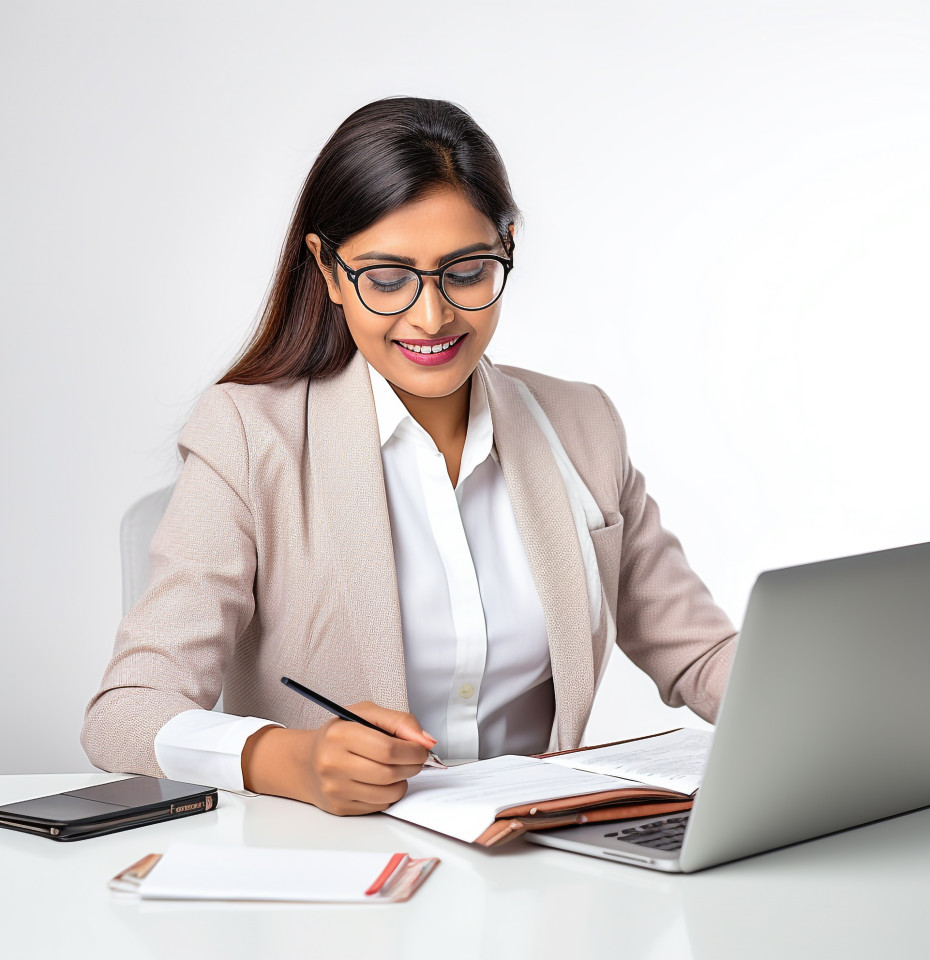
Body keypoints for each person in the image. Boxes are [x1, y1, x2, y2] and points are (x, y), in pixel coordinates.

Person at [81, 96, 738, 817]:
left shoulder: (581, 425)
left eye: (466, 271)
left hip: (540, 861)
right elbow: (126, 714)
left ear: (508, 249)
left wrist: (848, 716)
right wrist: (289, 758)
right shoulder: (248, 433)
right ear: (329, 272)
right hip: (341, 879)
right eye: (388, 279)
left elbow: (701, 657)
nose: (432, 317)